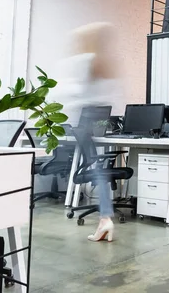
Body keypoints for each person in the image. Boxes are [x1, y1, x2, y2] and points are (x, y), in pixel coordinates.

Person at [58, 22, 121, 242]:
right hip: (100, 118)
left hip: (84, 120)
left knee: (94, 168)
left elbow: (75, 92)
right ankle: (105, 218)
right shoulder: (107, 63)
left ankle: (105, 219)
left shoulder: (85, 60)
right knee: (98, 167)